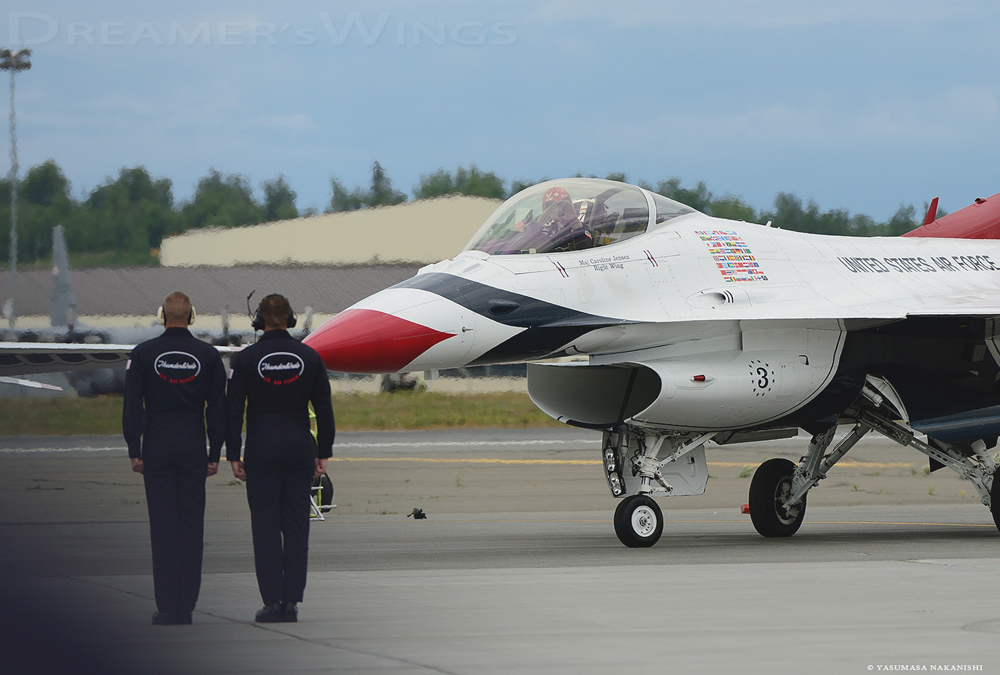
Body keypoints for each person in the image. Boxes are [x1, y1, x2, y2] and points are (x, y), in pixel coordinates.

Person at [226, 293, 335, 623]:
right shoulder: (310, 357)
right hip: (299, 447)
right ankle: (292, 602)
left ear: (259, 320)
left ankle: (272, 601)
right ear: (290, 320)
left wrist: (233, 453)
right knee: (297, 526)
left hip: (261, 449)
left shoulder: (244, 360)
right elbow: (325, 410)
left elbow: (233, 412)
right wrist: (324, 452)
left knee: (265, 527)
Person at [122, 291, 226, 625]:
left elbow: (132, 406)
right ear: (192, 316)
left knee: (163, 528)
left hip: (157, 449)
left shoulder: (143, 354)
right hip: (194, 448)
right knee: (191, 528)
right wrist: (214, 452)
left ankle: (167, 606)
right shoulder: (208, 355)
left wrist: (134, 450)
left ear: (162, 316)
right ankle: (187, 606)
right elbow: (219, 409)